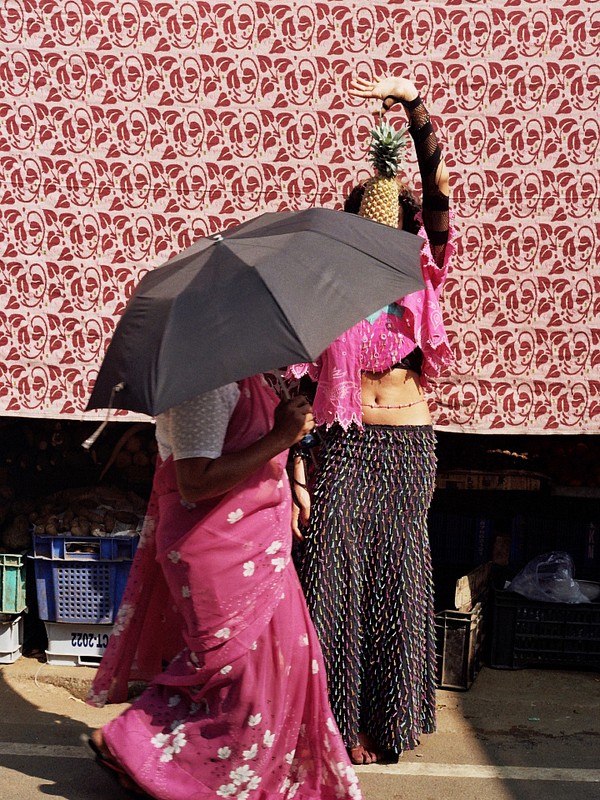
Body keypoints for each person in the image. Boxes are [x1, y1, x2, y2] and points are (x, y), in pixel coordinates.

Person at [87, 374, 364, 800]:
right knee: (237, 675)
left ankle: (139, 747)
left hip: (259, 546)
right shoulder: (205, 385)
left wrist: (290, 458)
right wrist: (280, 436)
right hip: (218, 548)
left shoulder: (250, 379)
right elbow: (195, 481)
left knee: (275, 669)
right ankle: (142, 749)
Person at [288, 73, 457, 766]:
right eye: (363, 223)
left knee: (397, 576)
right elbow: (301, 392)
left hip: (407, 447)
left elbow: (438, 190)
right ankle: (335, 721)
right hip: (342, 445)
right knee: (331, 578)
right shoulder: (327, 290)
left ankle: (386, 722)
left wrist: (414, 108)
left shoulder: (422, 270)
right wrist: (298, 474)